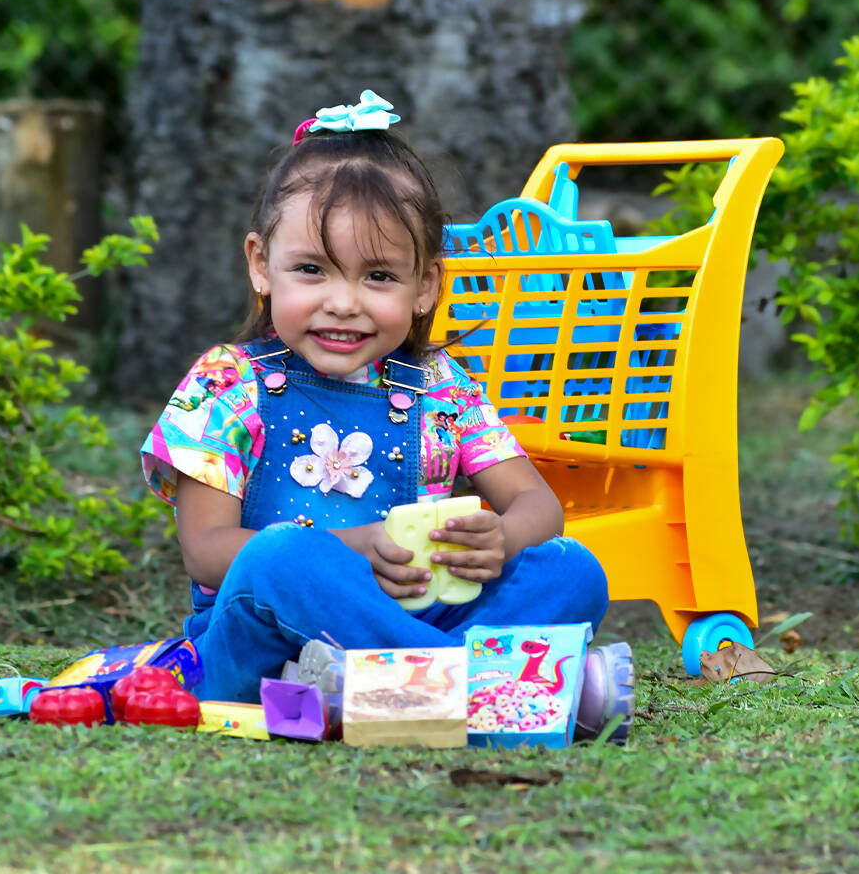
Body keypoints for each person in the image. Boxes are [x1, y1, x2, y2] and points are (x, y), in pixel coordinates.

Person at [141, 90, 634, 742]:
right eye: (311, 270)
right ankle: (497, 692)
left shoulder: (439, 385)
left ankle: (385, 695)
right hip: (266, 645)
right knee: (280, 555)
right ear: (261, 265)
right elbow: (207, 555)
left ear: (425, 285)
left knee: (571, 567)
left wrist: (502, 538)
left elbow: (537, 506)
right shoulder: (228, 383)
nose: (344, 302)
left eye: (378, 277)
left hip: (422, 618)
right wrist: (357, 546)